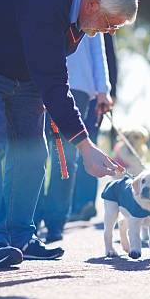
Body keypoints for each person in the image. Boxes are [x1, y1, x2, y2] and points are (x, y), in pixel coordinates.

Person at [0, 0, 138, 267]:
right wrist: (85, 146)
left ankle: (20, 236)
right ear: (93, 4)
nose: (109, 32)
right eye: (111, 24)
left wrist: (80, 139)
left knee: (34, 152)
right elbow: (53, 82)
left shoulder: (82, 15)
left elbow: (51, 72)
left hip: (21, 69)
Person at [35, 33, 113, 242]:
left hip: (77, 86)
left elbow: (98, 50)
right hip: (39, 80)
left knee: (65, 158)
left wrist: (103, 90)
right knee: (35, 153)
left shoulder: (92, 3)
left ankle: (55, 222)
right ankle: (30, 220)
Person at [70, 33, 119, 222]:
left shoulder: (103, 20)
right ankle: (78, 203)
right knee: (82, 144)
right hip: (88, 89)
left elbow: (107, 57)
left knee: (85, 145)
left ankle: (83, 204)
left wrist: (109, 91)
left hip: (91, 93)